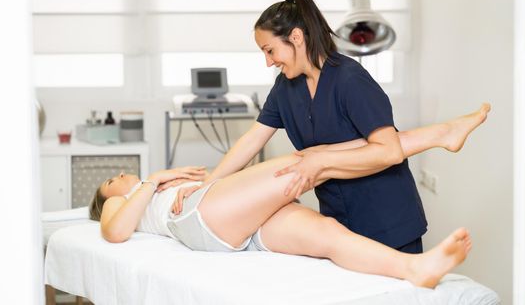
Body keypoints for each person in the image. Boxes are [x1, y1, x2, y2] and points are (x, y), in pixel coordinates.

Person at [162, 0, 491, 253]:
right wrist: (206, 187)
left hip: (387, 220)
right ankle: (444, 132)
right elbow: (252, 140)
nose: (267, 61)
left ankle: (447, 132)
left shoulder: (349, 80)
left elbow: (389, 151)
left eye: (269, 50)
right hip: (338, 220)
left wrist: (319, 161)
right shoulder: (285, 86)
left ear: (295, 37)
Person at [89, 111, 487, 288]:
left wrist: (190, 179)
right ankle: (439, 134)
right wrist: (154, 181)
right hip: (201, 216)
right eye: (111, 180)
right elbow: (115, 233)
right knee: (309, 162)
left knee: (328, 232)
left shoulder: (149, 191)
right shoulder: (122, 202)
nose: (119, 176)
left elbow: (229, 167)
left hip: (226, 217)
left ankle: (415, 269)